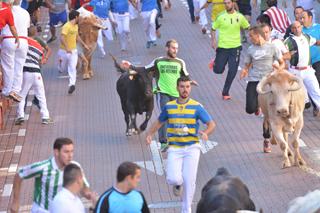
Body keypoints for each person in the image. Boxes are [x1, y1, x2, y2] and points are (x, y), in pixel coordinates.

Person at [146, 76, 216, 213]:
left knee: (190, 181)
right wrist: (149, 134)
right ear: (177, 88)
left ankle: (186, 209)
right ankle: (177, 184)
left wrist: (207, 133)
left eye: (188, 87)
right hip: (175, 148)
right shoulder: (169, 107)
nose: (185, 89)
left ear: (190, 88)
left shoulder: (197, 107)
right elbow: (159, 122)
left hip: (192, 148)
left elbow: (211, 124)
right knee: (173, 178)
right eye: (182, 86)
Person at [121, 39, 197, 152]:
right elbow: (144, 69)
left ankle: (178, 138)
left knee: (178, 116)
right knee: (165, 115)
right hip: (163, 93)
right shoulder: (158, 61)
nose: (175, 50)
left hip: (177, 94)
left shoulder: (180, 62)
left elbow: (185, 75)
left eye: (177, 48)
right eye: (173, 48)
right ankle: (163, 142)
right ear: (167, 48)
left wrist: (190, 82)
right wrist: (131, 66)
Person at [10, 137, 97, 213]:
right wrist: (16, 201)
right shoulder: (43, 167)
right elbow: (20, 174)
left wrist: (88, 195)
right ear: (56, 152)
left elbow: (83, 188)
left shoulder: (75, 167)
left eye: (72, 151)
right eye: (66, 152)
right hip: (43, 210)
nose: (70, 156)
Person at [240, 25, 283, 153]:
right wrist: (244, 70)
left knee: (269, 113)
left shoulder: (272, 47)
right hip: (254, 80)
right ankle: (257, 106)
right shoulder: (250, 49)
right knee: (249, 109)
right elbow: (247, 65)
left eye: (251, 36)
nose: (249, 38)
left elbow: (282, 62)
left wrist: (278, 70)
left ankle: (266, 140)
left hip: (269, 82)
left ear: (258, 35)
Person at [211, 0, 250, 100]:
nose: (226, 5)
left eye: (228, 3)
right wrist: (213, 41)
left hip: (235, 47)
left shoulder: (239, 16)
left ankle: (225, 92)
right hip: (223, 47)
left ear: (233, 3)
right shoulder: (221, 16)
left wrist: (257, 36)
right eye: (225, 3)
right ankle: (216, 62)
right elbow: (213, 28)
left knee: (232, 71)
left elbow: (247, 27)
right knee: (218, 70)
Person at [15, 26, 52, 126]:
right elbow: (41, 59)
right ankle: (45, 117)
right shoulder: (39, 47)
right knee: (41, 96)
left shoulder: (23, 41)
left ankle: (20, 116)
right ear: (35, 33)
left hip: (26, 72)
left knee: (21, 95)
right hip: (37, 73)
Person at [284, 21, 320, 112]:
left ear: (301, 27)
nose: (297, 29)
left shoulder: (307, 37)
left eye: (298, 27)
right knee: (299, 98)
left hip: (308, 70)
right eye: (294, 28)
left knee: (316, 91)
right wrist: (288, 55)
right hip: (295, 72)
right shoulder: (288, 41)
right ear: (292, 29)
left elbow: (316, 42)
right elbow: (283, 55)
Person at [1, 0, 30, 102]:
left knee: (8, 66)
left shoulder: (6, 11)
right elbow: (27, 27)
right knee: (19, 66)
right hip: (23, 41)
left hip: (8, 39)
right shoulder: (25, 13)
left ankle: (7, 90)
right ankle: (15, 90)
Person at [58, 10, 88, 94]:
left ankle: (72, 84)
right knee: (62, 68)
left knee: (72, 67)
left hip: (73, 50)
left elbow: (77, 37)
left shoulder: (76, 26)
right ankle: (60, 64)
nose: (80, 19)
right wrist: (67, 48)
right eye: (79, 17)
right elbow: (62, 38)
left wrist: (84, 44)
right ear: (76, 17)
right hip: (64, 51)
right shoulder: (66, 26)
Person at [301, 10, 320, 116]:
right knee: (313, 84)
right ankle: (316, 106)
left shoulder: (318, 28)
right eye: (300, 18)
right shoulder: (300, 30)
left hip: (319, 60)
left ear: (310, 17)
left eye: (304, 18)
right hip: (306, 63)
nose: (301, 20)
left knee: (317, 82)